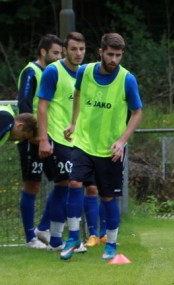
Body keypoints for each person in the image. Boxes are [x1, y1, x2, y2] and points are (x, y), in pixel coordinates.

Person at [60, 32, 143, 260]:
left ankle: (112, 243)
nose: (114, 59)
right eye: (110, 54)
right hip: (84, 143)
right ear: (100, 52)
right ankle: (74, 236)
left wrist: (122, 140)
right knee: (75, 182)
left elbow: (137, 113)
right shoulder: (85, 72)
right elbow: (77, 93)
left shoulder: (127, 79)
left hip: (110, 149)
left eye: (118, 55)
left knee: (107, 197)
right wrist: (73, 122)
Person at [36, 32, 95, 253]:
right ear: (65, 50)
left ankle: (52, 236)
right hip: (58, 137)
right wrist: (43, 138)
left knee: (64, 186)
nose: (78, 54)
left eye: (82, 49)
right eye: (73, 49)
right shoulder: (53, 71)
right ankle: (70, 238)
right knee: (72, 184)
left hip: (79, 140)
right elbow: (42, 106)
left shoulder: (86, 73)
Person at [16, 34, 63, 249]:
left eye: (61, 54)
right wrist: (33, 135)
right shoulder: (30, 72)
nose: (59, 57)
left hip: (50, 137)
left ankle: (42, 228)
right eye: (55, 53)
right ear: (43, 52)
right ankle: (30, 238)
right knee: (32, 184)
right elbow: (24, 104)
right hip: (32, 139)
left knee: (63, 181)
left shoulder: (53, 73)